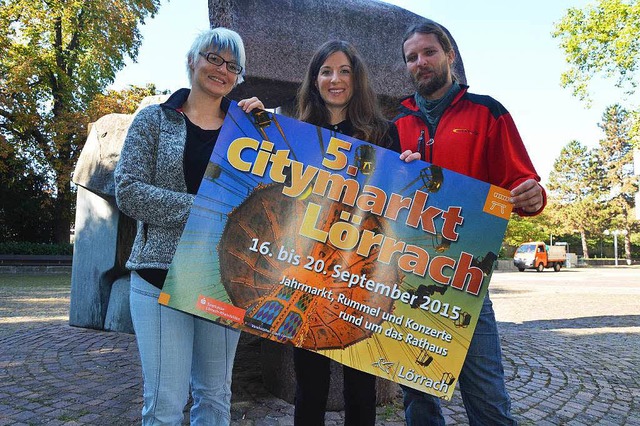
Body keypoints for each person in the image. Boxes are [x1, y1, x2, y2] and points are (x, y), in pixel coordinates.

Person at [395, 21, 546, 426]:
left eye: (428, 52)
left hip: (467, 278)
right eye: (412, 57)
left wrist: (533, 195)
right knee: (418, 399)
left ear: (450, 55)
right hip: (407, 276)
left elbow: (521, 182)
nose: (421, 62)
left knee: (487, 398)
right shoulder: (397, 121)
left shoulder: (487, 111)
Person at [114, 28, 263, 425]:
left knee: (215, 399)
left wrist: (267, 129)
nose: (222, 70)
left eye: (233, 66)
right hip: (158, 276)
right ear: (192, 60)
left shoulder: (248, 130)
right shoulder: (154, 120)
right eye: (214, 58)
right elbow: (127, 191)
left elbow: (276, 196)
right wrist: (203, 209)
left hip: (223, 278)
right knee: (164, 403)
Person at [293, 39, 418, 426]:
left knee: (360, 385)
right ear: (315, 81)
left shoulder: (384, 133)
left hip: (361, 271)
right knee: (309, 384)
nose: (335, 79)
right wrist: (251, 117)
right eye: (326, 71)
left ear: (356, 78)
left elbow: (399, 199)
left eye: (344, 71)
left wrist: (411, 169)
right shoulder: (297, 132)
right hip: (307, 271)